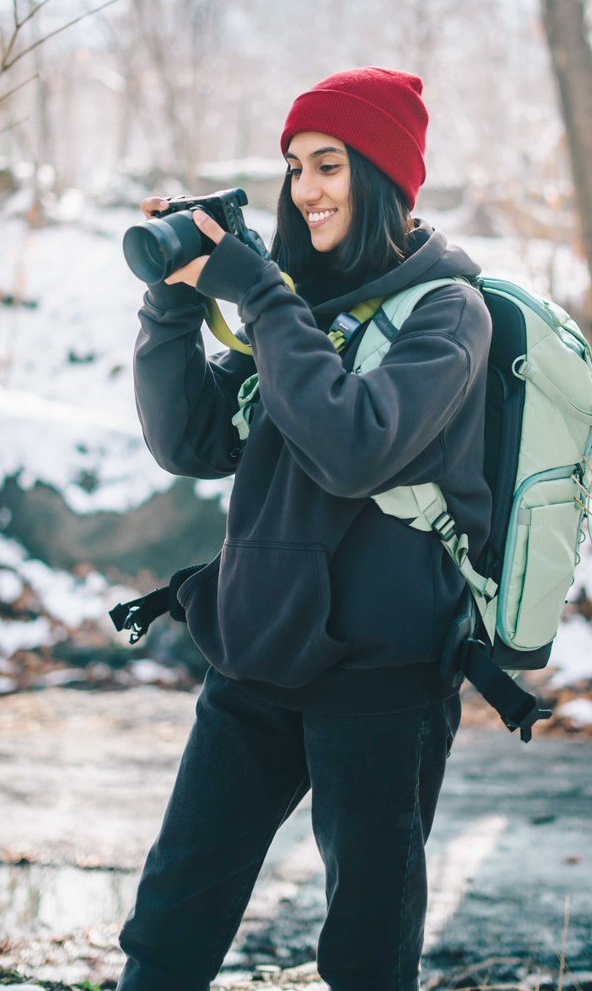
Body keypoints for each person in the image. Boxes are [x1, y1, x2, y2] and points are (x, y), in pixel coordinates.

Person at [116, 67, 493, 991]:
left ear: (386, 178)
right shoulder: (298, 301)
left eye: (329, 164)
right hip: (254, 649)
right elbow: (190, 440)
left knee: (365, 950)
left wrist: (261, 294)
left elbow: (352, 448)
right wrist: (173, 302)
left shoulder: (448, 313)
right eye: (294, 167)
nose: (305, 189)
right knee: (169, 921)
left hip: (382, 674)